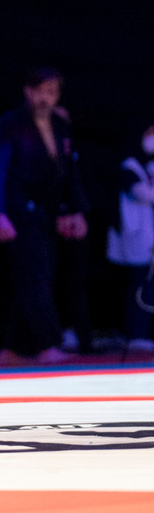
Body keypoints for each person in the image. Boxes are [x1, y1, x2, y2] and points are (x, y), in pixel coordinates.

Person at [0, 67, 90, 364]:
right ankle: (48, 344)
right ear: (28, 91)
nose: (46, 98)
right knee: (36, 277)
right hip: (18, 211)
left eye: (52, 92)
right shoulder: (9, 124)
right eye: (41, 91)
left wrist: (75, 210)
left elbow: (70, 172)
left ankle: (13, 348)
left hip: (48, 212)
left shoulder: (60, 124)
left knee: (36, 277)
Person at [107, 123, 154, 353]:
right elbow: (143, 194)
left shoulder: (142, 167)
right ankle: (135, 333)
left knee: (143, 284)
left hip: (144, 238)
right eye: (149, 134)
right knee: (139, 286)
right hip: (134, 239)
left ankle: (138, 332)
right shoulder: (129, 167)